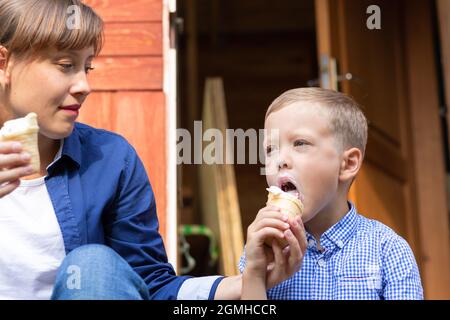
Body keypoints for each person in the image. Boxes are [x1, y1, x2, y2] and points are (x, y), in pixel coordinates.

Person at [0, 0, 304, 300]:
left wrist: (247, 280)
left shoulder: (111, 159)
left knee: (93, 265)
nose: (84, 85)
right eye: (66, 65)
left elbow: (152, 285)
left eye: (87, 67)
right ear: (5, 63)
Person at [240, 87, 424, 299]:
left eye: (300, 143)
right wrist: (254, 275)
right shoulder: (265, 247)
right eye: (270, 149)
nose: (280, 160)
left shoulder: (388, 250)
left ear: (347, 164)